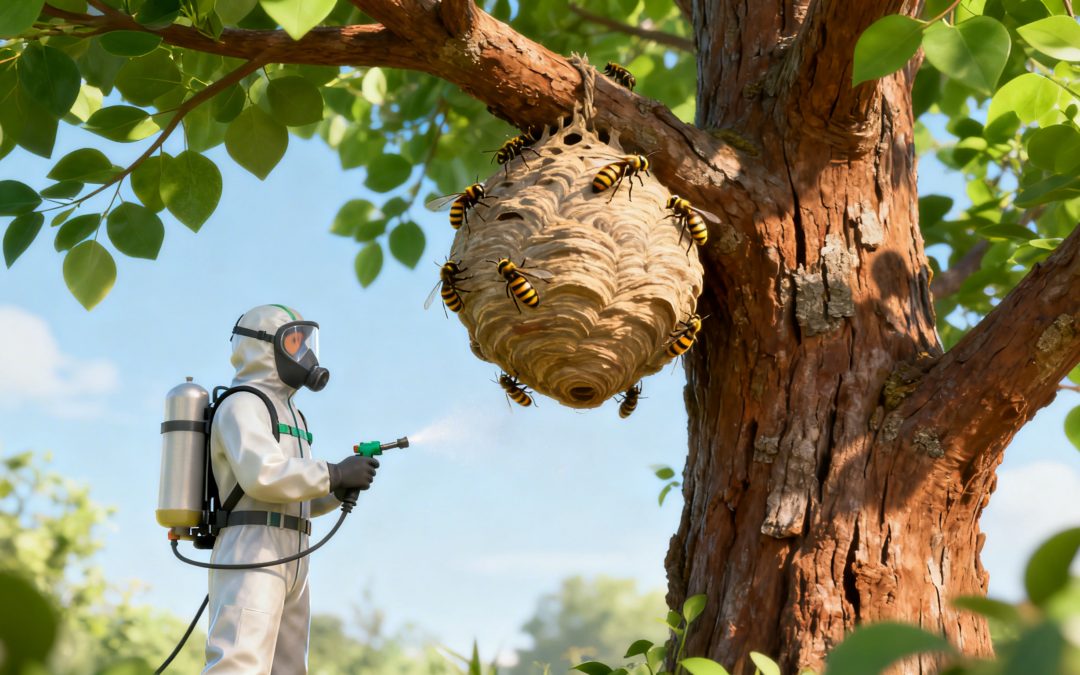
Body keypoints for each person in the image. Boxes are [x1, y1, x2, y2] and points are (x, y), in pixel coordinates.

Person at [203, 304, 378, 674]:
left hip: (293, 554)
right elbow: (262, 475)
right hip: (253, 549)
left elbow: (296, 496)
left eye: (305, 342)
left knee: (289, 667)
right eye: (295, 342)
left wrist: (337, 490)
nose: (305, 354)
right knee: (240, 662)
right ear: (265, 346)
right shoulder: (243, 404)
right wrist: (333, 472)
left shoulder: (293, 414)